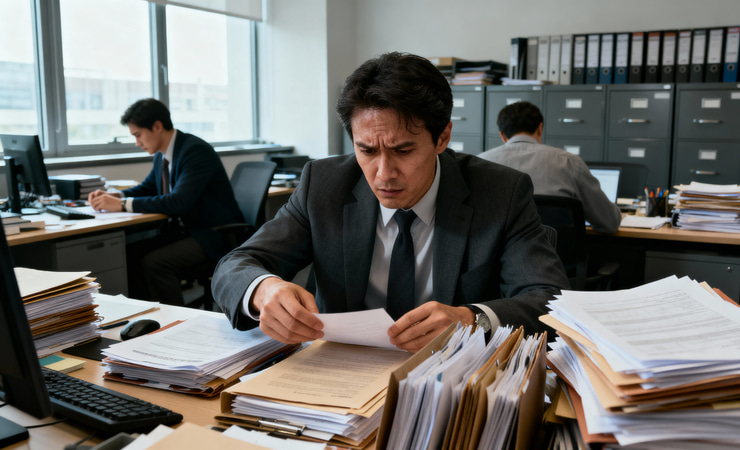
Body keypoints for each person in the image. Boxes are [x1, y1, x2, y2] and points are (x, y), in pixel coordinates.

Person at [212, 52, 569, 352]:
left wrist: (470, 319)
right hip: (340, 376)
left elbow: (548, 300)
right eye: (366, 150)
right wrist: (263, 289)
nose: (383, 174)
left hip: (448, 377)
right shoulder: (323, 185)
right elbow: (235, 264)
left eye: (403, 150)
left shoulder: (501, 193)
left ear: (442, 137)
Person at [88, 98, 243, 305]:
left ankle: (177, 322)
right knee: (131, 252)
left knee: (155, 263)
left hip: (213, 234)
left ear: (157, 126)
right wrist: (117, 197)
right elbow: (147, 188)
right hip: (186, 230)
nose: (137, 143)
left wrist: (122, 206)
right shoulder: (163, 155)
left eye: (138, 135)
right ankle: (144, 317)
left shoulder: (195, 151)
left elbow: (177, 202)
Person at [479, 101, 621, 233]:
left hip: (498, 259)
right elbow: (609, 222)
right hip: (558, 258)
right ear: (540, 128)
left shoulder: (480, 163)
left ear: (502, 135)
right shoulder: (569, 163)